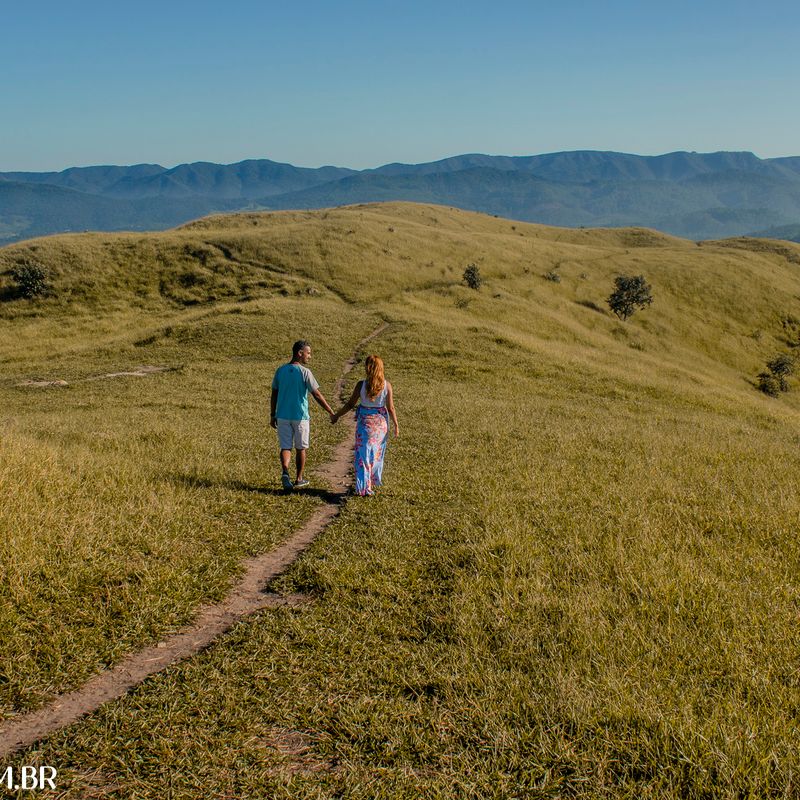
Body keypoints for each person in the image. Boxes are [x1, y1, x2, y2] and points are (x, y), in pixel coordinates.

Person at [271, 340, 335, 491]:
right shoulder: (305, 372)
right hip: (300, 417)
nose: (309, 356)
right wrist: (331, 411)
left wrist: (272, 414)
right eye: (308, 353)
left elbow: (274, 393)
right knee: (301, 448)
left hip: (282, 415)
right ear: (300, 353)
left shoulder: (280, 370)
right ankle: (299, 478)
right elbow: (316, 395)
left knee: (286, 447)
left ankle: (285, 472)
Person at [332, 354, 399, 496]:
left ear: (367, 368)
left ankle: (363, 486)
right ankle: (371, 482)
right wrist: (396, 425)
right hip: (380, 426)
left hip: (364, 425)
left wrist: (337, 415)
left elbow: (350, 404)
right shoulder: (386, 386)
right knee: (376, 453)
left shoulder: (361, 385)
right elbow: (391, 408)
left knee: (363, 456)